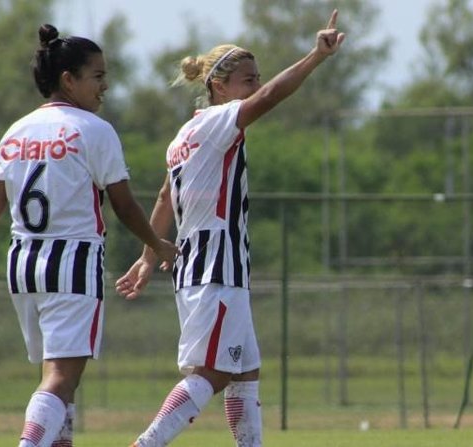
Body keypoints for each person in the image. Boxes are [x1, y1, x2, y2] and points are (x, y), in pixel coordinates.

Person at [0, 24, 177, 447]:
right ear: (68, 79)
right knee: (61, 378)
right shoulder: (95, 130)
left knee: (56, 378)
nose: (105, 86)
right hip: (73, 262)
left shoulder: (16, 131)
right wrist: (156, 245)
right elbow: (123, 205)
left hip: (23, 264)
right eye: (97, 76)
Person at [115, 9, 345, 447]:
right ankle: (146, 444)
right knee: (214, 373)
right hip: (216, 268)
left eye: (256, 77)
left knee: (245, 371)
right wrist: (315, 57)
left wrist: (147, 257)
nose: (255, 87)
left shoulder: (184, 134)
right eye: (247, 79)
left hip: (202, 267)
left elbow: (166, 198)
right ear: (218, 85)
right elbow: (273, 97)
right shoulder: (221, 121)